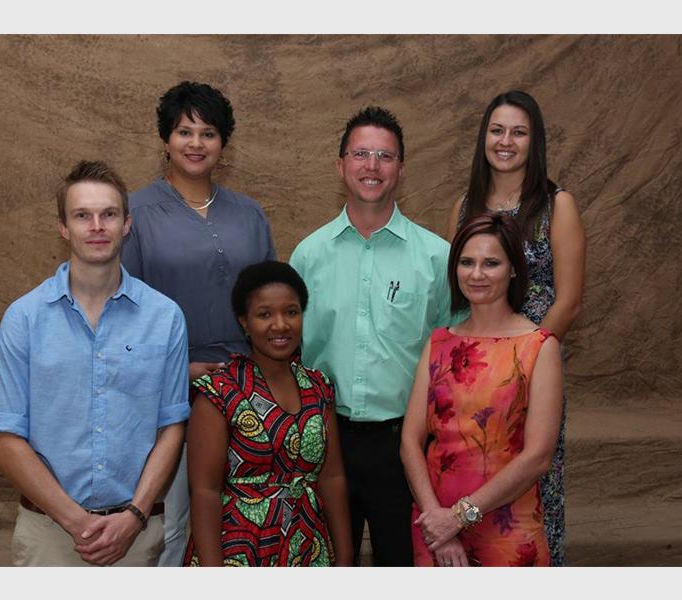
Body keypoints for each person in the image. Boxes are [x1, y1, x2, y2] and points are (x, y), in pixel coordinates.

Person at [0, 160, 189, 566]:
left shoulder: (165, 317)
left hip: (135, 534)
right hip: (49, 536)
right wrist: (76, 521)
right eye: (82, 216)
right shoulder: (24, 318)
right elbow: (3, 440)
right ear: (63, 227)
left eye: (108, 214)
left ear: (127, 224)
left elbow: (171, 428)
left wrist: (133, 516)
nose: (97, 226)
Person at [121, 81, 276, 566]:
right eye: (184, 131)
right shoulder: (134, 214)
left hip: (248, 392)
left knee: (248, 515)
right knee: (172, 526)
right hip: (167, 394)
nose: (195, 143)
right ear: (165, 139)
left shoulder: (249, 214)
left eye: (208, 133)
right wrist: (182, 372)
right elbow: (120, 318)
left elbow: (271, 305)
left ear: (223, 143)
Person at [289, 106, 452, 566]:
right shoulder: (308, 255)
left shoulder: (436, 259)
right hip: (326, 438)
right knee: (324, 562)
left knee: (399, 564)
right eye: (361, 154)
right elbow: (288, 351)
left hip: (404, 445)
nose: (372, 166)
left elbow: (452, 356)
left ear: (401, 168)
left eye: (385, 156)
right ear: (340, 165)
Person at [445, 90, 585, 565]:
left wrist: (523, 369)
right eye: (497, 130)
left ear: (535, 141)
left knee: (529, 488)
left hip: (531, 374)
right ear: (484, 137)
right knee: (470, 471)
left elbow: (568, 301)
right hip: (472, 374)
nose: (506, 141)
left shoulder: (556, 206)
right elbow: (457, 292)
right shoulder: (464, 206)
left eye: (519, 132)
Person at [401, 213, 563, 567]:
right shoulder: (438, 342)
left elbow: (538, 457)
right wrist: (437, 520)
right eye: (466, 262)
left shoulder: (539, 346)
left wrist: (459, 517)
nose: (476, 274)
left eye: (491, 263)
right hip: (434, 529)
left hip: (507, 532)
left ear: (513, 269)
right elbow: (410, 440)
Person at [183, 261, 352, 566]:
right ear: (244, 322)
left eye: (291, 312)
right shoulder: (221, 391)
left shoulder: (319, 387)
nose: (281, 325)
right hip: (238, 550)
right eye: (264, 314)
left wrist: (345, 558)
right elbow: (205, 491)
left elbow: (332, 477)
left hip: (308, 546)